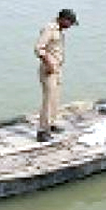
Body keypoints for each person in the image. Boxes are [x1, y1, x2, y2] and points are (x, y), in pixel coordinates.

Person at [34, 9, 79, 142]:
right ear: (63, 19)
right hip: (49, 69)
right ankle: (42, 131)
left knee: (55, 98)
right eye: (69, 23)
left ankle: (52, 123)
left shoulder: (59, 30)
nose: (70, 26)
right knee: (48, 100)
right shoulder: (50, 29)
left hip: (56, 69)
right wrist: (49, 64)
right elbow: (38, 48)